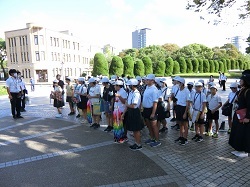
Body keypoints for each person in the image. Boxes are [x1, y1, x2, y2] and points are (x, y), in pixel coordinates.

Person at [229, 70, 250, 158]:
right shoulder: (242, 89)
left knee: (244, 133)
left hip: (245, 117)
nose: (240, 81)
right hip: (239, 115)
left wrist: (248, 117)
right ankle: (239, 148)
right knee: (238, 132)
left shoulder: (248, 91)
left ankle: (245, 150)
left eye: (241, 79)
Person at [122, 79, 144, 150]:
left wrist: (127, 104)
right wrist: (124, 113)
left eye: (129, 85)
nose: (128, 86)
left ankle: (138, 144)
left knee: (136, 129)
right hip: (130, 111)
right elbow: (128, 104)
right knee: (134, 129)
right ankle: (136, 142)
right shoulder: (131, 92)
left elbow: (134, 105)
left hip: (135, 112)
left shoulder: (136, 94)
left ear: (132, 85)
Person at [143, 74, 161, 147]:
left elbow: (155, 102)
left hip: (152, 109)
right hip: (146, 109)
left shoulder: (154, 90)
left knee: (154, 125)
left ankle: (157, 140)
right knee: (149, 125)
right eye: (146, 79)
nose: (146, 81)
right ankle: (152, 137)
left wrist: (153, 113)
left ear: (152, 81)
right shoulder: (147, 87)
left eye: (147, 80)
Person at [174, 77, 190, 146]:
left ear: (182, 83)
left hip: (184, 108)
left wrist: (185, 112)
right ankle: (181, 136)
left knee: (185, 124)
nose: (177, 84)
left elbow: (188, 102)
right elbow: (177, 99)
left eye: (178, 82)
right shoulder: (178, 90)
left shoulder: (186, 91)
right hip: (179, 107)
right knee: (180, 123)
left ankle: (185, 138)